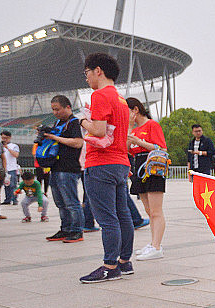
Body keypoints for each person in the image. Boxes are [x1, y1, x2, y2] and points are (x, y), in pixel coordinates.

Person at [78, 52, 134, 283]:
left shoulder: (99, 95)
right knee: (123, 215)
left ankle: (109, 266)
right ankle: (124, 262)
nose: (87, 78)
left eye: (87, 73)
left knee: (108, 218)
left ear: (98, 71)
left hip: (101, 163)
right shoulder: (121, 100)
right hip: (120, 163)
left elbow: (99, 131)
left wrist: (81, 121)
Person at [126, 97, 167, 260]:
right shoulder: (134, 130)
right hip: (139, 168)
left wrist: (140, 142)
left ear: (135, 110)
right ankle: (153, 243)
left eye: (127, 112)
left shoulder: (152, 125)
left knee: (156, 211)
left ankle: (157, 246)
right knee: (149, 211)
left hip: (153, 167)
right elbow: (126, 149)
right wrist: (130, 130)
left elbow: (162, 148)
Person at [44, 95, 85, 243]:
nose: (55, 112)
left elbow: (78, 143)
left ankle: (77, 231)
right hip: (55, 167)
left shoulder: (74, 122)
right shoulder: (57, 123)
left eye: (57, 109)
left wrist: (55, 138)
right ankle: (65, 228)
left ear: (67, 107)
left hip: (68, 168)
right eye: (53, 110)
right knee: (60, 203)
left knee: (71, 202)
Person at [0, 131, 20, 205]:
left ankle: (14, 199)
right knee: (6, 185)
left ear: (9, 137)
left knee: (13, 185)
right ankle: (7, 199)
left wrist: (7, 148)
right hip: (3, 168)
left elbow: (16, 155)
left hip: (11, 168)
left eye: (6, 138)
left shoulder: (14, 146)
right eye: (2, 138)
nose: (4, 140)